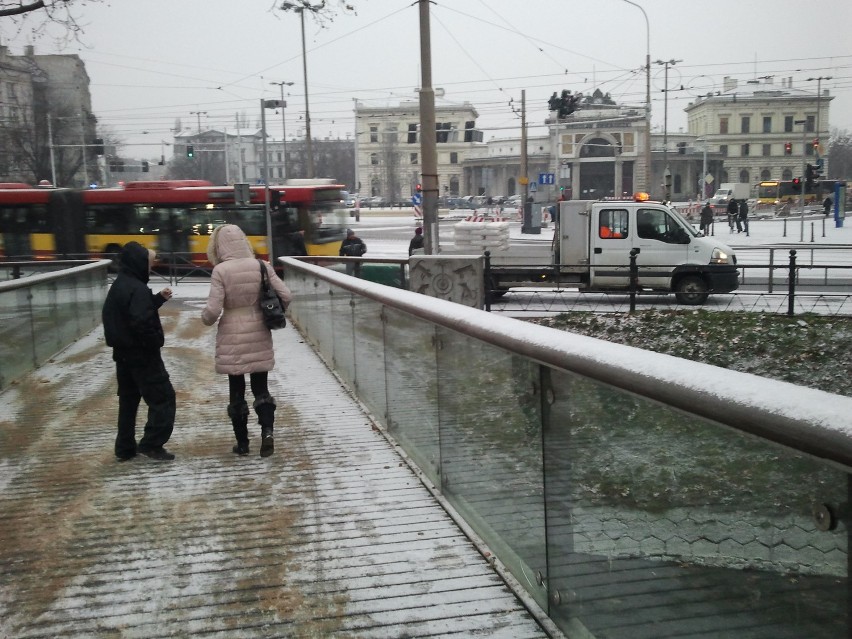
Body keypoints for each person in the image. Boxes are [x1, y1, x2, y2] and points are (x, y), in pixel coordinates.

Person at [201, 224, 292, 458]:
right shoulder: (262, 266)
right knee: (261, 388)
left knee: (237, 391)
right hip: (260, 331)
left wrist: (205, 319)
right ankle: (268, 433)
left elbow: (212, 311)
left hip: (231, 335)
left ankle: (242, 444)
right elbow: (286, 295)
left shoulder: (221, 271)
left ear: (218, 246)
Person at [102, 241, 177, 462]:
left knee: (128, 401)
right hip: (142, 355)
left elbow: (128, 314)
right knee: (163, 397)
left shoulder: (121, 285)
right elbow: (141, 320)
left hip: (123, 354)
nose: (151, 267)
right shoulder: (137, 288)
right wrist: (155, 342)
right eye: (149, 263)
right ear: (139, 263)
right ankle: (152, 444)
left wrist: (157, 300)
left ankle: (124, 447)